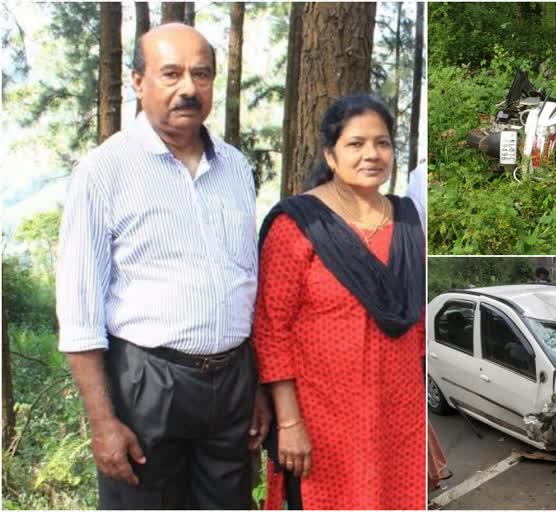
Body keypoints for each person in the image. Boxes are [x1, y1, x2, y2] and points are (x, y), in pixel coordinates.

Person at [55, 24, 270, 509]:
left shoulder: (235, 167)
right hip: (146, 383)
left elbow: (246, 282)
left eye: (201, 74)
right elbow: (79, 311)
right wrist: (103, 423)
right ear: (137, 81)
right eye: (171, 74)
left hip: (232, 382)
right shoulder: (104, 170)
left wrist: (255, 385)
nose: (188, 88)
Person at [253, 94, 425, 510]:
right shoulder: (298, 223)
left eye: (382, 143)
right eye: (356, 144)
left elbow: (416, 324)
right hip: (321, 419)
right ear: (331, 155)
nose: (372, 154)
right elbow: (271, 329)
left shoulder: (407, 221)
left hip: (397, 416)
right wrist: (289, 422)